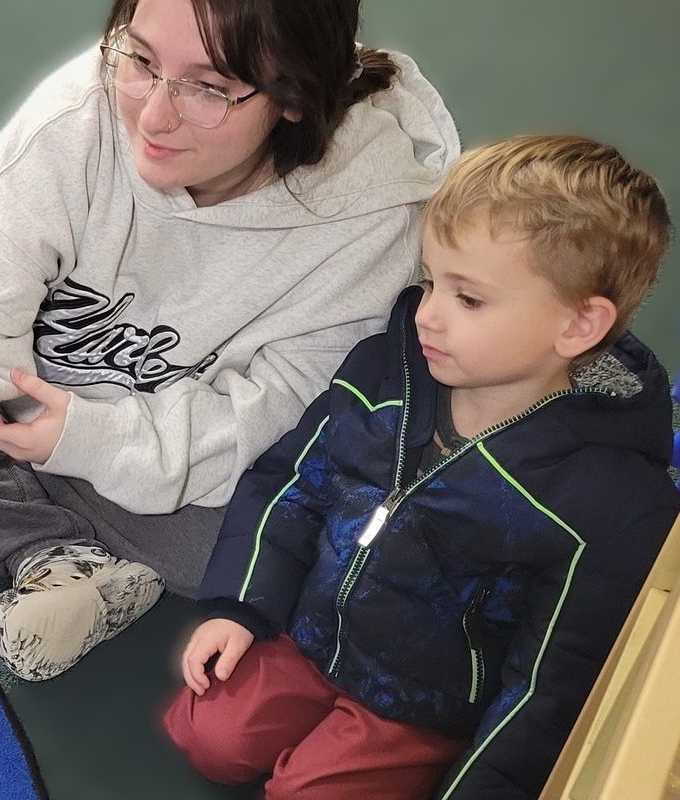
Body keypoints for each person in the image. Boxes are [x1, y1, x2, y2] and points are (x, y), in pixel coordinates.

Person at [0, 0, 459, 680]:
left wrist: (87, 437)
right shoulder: (77, 111)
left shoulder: (369, 218)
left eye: (209, 88)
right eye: (141, 59)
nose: (151, 117)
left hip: (165, 437)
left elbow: (276, 421)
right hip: (33, 383)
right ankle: (46, 548)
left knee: (233, 544)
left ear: (292, 97)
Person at [167, 135, 679, 799]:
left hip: (418, 709)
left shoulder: (609, 501)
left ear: (578, 327)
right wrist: (238, 606)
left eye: (468, 299)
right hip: (314, 636)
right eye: (429, 280)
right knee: (207, 735)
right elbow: (288, 484)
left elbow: (550, 684)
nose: (426, 315)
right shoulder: (385, 372)